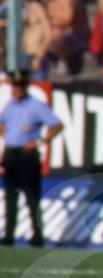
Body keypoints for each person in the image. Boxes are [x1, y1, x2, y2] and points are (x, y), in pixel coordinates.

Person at [1, 71, 62, 247]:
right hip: (11, 154)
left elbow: (57, 125)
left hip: (27, 156)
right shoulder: (10, 105)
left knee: (31, 197)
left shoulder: (36, 106)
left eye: (20, 86)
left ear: (26, 86)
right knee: (10, 197)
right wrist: (7, 137)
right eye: (14, 86)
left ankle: (37, 235)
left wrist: (41, 141)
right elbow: (2, 121)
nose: (17, 89)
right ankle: (8, 234)